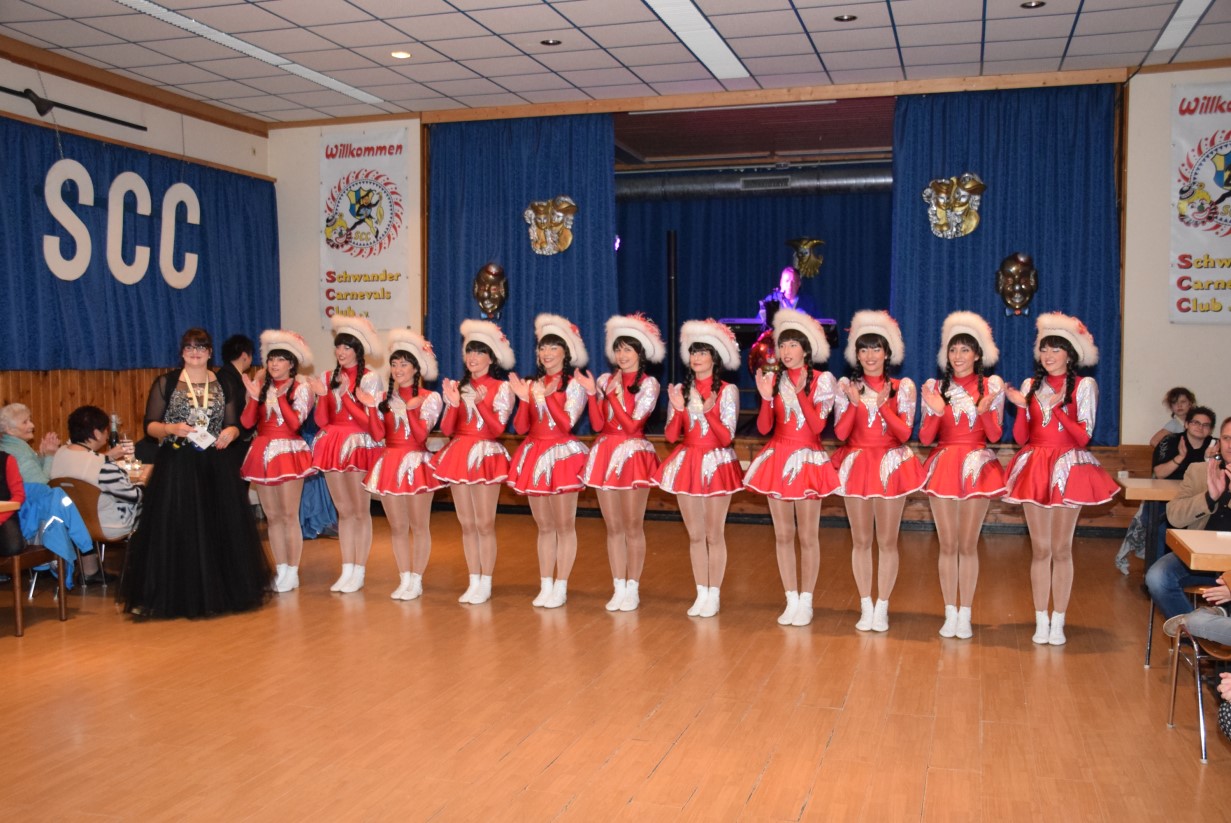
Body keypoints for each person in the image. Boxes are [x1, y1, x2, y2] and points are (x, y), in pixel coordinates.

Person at [121, 328, 270, 618]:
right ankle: (171, 595)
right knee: (177, 528)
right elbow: (150, 425)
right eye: (189, 347)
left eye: (201, 347)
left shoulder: (223, 383)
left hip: (215, 464)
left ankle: (219, 594)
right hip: (177, 464)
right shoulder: (166, 382)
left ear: (210, 352)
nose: (195, 352)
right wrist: (170, 428)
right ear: (182, 352)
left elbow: (234, 423)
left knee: (218, 528)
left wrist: (231, 432)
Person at [1004, 312, 1119, 645]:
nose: (1048, 355)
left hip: (1069, 466)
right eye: (1044, 349)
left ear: (1070, 354)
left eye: (1056, 349)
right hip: (1035, 465)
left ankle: (1059, 621)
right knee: (1040, 549)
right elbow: (1022, 438)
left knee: (1061, 549)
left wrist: (1056, 408)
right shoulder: (1030, 385)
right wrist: (1023, 406)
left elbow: (1083, 436)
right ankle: (1041, 619)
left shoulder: (1084, 386)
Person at [743, 308, 840, 627]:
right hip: (778, 457)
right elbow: (764, 428)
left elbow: (817, 427)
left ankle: (807, 600)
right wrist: (766, 399)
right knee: (783, 534)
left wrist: (801, 395)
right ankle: (791, 598)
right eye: (782, 345)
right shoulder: (774, 379)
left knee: (808, 536)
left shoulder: (823, 380)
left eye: (792, 345)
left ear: (806, 350)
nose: (785, 351)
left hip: (808, 459)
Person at [832, 310, 925, 633]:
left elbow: (904, 433)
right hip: (857, 465)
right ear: (856, 354)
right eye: (864, 349)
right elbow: (841, 433)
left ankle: (882, 605)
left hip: (890, 466)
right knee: (860, 541)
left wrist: (884, 406)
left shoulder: (903, 387)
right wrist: (855, 404)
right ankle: (865, 604)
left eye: (876, 348)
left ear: (887, 352)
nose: (870, 356)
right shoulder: (847, 387)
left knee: (887, 541)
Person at [918, 312, 1006, 639]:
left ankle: (965, 613)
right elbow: (925, 438)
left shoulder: (991, 386)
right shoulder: (934, 387)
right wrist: (935, 411)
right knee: (947, 544)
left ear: (978, 355)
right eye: (953, 350)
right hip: (943, 464)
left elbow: (995, 436)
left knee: (967, 545)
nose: (958, 356)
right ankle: (949, 612)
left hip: (977, 466)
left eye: (965, 350)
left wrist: (984, 412)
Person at [653, 319, 742, 618]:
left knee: (714, 534)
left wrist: (710, 412)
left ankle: (714, 593)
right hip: (688, 462)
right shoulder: (681, 389)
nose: (697, 357)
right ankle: (701, 591)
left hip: (717, 464)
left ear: (715, 357)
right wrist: (679, 408)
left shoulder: (728, 391)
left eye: (703, 352)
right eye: (693, 352)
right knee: (695, 535)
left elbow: (726, 437)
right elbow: (670, 436)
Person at [580, 313, 665, 612]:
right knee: (613, 527)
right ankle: (618, 586)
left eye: (628, 349)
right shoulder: (605, 380)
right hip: (605, 453)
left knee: (632, 526)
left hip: (633, 456)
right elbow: (597, 424)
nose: (622, 355)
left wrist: (613, 396)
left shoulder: (649, 384)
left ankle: (633, 587)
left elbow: (631, 426)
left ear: (641, 353)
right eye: (618, 349)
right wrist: (593, 394)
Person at [508, 314, 590, 608]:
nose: (547, 353)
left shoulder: (575, 385)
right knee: (543, 526)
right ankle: (545, 584)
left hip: (562, 455)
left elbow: (567, 423)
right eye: (543, 347)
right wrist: (525, 399)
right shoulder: (533, 384)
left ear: (566, 352)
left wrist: (545, 398)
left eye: (554, 347)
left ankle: (561, 585)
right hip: (534, 453)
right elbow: (520, 428)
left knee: (564, 525)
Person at [432, 319, 516, 605]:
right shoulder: (458, 386)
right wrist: (454, 403)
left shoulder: (501, 388)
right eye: (470, 351)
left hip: (485, 454)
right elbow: (447, 429)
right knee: (466, 523)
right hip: (459, 453)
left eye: (480, 352)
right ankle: (474, 579)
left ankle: (486, 581)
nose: (473, 357)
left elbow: (498, 429)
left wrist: (480, 403)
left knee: (484, 522)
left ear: (491, 358)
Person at [364, 329, 443, 601]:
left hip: (416, 463)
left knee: (419, 525)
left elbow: (420, 436)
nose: (398, 369)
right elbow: (377, 434)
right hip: (389, 463)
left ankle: (417, 579)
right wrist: (371, 408)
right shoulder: (385, 399)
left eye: (404, 364)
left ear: (416, 368)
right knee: (397, 527)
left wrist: (410, 409)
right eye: (394, 364)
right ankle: (404, 577)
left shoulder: (430, 398)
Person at [310, 315, 384, 594]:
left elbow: (368, 423)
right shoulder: (327, 377)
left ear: (358, 350)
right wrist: (323, 396)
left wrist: (344, 396)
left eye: (347, 347)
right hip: (332, 443)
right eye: (338, 346)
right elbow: (321, 420)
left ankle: (360, 570)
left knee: (359, 510)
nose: (341, 352)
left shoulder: (370, 378)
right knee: (343, 510)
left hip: (358, 444)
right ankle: (347, 568)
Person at [239, 330, 315, 593]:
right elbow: (247, 422)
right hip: (262, 451)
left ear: (291, 363)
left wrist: (280, 397)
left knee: (288, 515)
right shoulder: (262, 388)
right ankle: (281, 568)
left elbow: (295, 423)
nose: (274, 364)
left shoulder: (302, 389)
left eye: (281, 359)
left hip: (289, 451)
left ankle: (293, 570)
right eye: (271, 359)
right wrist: (252, 397)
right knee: (272, 517)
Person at [1148, 416, 1231, 624]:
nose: (1230, 445)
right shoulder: (1200, 471)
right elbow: (1174, 516)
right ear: (1219, 441)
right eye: (1226, 438)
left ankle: (1214, 627)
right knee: (1157, 577)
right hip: (1199, 558)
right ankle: (1195, 633)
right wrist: (1209, 498)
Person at [50, 405, 146, 539]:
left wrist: (108, 455)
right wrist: (144, 480)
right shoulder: (103, 465)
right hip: (110, 525)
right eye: (106, 430)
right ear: (96, 433)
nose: (107, 434)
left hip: (73, 522)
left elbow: (84, 463)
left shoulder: (60, 454)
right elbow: (134, 496)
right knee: (156, 500)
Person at [0, 403, 60, 484]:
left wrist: (43, 456)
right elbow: (42, 485)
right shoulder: (21, 453)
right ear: (10, 430)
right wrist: (50, 456)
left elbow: (34, 472)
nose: (32, 425)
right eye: (25, 422)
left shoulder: (7, 445)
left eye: (30, 420)